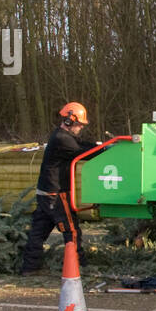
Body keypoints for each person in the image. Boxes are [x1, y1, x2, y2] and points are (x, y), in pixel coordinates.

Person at [20, 102, 96, 276]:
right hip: (56, 194)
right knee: (72, 231)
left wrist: (103, 146)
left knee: (38, 232)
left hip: (45, 193)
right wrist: (106, 149)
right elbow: (84, 152)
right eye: (79, 125)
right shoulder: (62, 140)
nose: (80, 128)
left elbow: (82, 144)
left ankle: (29, 268)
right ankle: (79, 267)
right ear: (70, 121)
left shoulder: (61, 136)